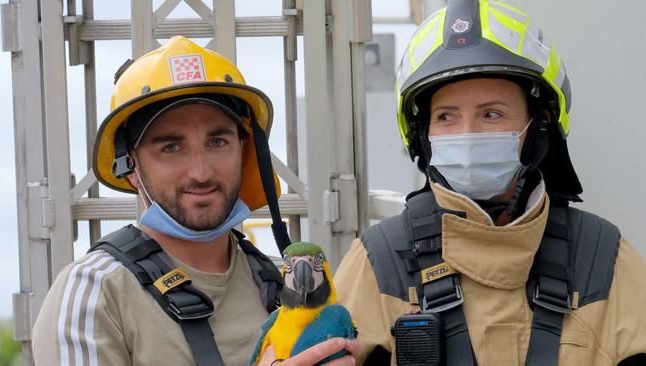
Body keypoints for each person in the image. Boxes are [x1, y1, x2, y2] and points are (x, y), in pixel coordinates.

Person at [334, 0, 646, 365]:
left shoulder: (603, 259)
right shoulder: (377, 263)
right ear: (423, 135)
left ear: (539, 126)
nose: (467, 135)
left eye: (491, 114)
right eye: (446, 116)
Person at [32, 36, 357, 366]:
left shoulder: (281, 282)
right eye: (171, 147)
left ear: (245, 153)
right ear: (130, 167)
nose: (201, 172)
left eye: (217, 142)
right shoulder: (93, 294)